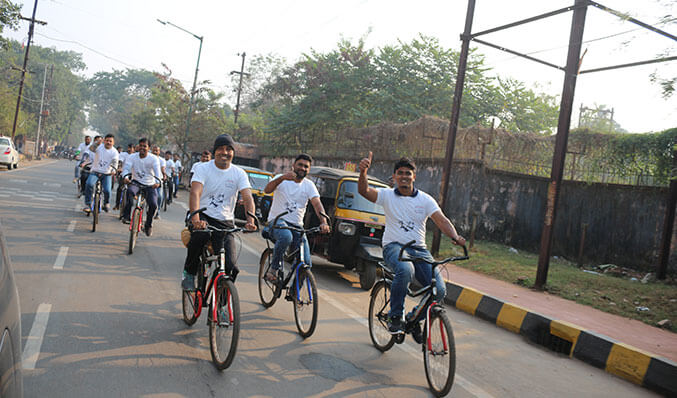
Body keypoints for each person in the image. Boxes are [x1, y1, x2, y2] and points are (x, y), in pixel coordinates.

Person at [357, 153, 466, 334]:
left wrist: (455, 236)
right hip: (394, 247)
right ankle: (395, 316)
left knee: (438, 291)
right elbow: (364, 191)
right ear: (394, 177)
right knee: (406, 270)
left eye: (408, 173)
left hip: (419, 250)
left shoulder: (425, 199)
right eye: (400, 173)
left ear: (414, 177)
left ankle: (413, 319)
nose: (404, 176)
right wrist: (363, 173)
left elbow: (441, 221)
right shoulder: (387, 195)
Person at [182, 134, 257, 290]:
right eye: (221, 149)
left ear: (233, 152)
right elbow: (195, 193)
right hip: (203, 214)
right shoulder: (203, 168)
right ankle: (189, 273)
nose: (225, 152)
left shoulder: (239, 173)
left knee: (231, 268)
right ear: (215, 151)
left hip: (225, 221)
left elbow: (248, 198)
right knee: (201, 235)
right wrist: (195, 218)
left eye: (229, 149)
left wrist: (251, 220)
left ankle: (223, 305)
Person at [262, 153, 330, 282]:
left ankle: (295, 293)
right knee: (286, 237)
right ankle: (274, 269)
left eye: (306, 166)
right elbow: (267, 190)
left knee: (306, 263)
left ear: (309, 169)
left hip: (297, 226)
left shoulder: (309, 185)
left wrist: (324, 221)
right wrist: (282, 178)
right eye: (300, 165)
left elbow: (317, 204)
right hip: (277, 222)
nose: (302, 168)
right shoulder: (280, 179)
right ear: (293, 165)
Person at [121, 138, 162, 237]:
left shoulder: (153, 159)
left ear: (149, 148)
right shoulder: (132, 157)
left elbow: (158, 172)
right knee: (129, 192)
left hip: (150, 185)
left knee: (153, 204)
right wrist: (126, 177)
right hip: (136, 182)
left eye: (145, 146)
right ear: (138, 146)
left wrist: (158, 182)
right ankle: (126, 216)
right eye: (141, 145)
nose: (142, 148)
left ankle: (148, 225)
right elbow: (126, 168)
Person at [83, 134, 119, 214]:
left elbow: (115, 163)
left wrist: (113, 170)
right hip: (95, 172)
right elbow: (91, 149)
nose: (108, 143)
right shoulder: (99, 147)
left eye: (110, 141)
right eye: (107, 140)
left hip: (107, 174)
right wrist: (97, 143)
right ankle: (88, 204)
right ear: (104, 140)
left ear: (113, 142)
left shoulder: (114, 152)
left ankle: (106, 203)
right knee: (89, 184)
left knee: (107, 190)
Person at [114, 143, 135, 211]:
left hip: (132, 175)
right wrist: (119, 168)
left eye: (132, 148)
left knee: (131, 190)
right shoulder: (123, 154)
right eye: (129, 147)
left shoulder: (135, 156)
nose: (130, 149)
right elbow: (120, 161)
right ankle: (117, 205)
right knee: (120, 188)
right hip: (123, 173)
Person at [151, 145, 167, 219]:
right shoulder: (148, 158)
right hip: (149, 180)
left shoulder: (162, 160)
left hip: (158, 180)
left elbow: (163, 169)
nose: (155, 152)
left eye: (156, 151)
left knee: (160, 196)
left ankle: (157, 212)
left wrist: (164, 175)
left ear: (159, 152)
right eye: (153, 150)